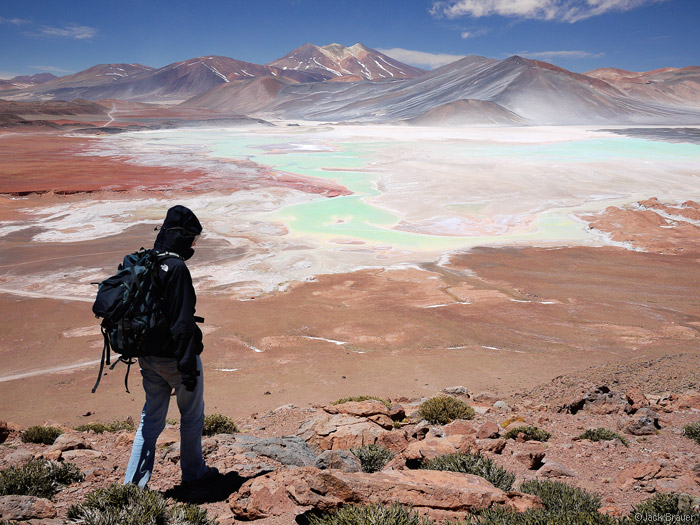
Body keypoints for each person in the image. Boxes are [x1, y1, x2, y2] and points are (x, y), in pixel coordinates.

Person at [124, 205, 216, 488]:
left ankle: (134, 485)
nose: (193, 244)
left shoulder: (145, 260)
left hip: (146, 355)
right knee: (191, 416)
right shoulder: (177, 269)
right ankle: (193, 473)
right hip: (174, 357)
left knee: (149, 420)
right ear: (182, 236)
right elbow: (182, 323)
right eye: (192, 238)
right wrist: (187, 365)